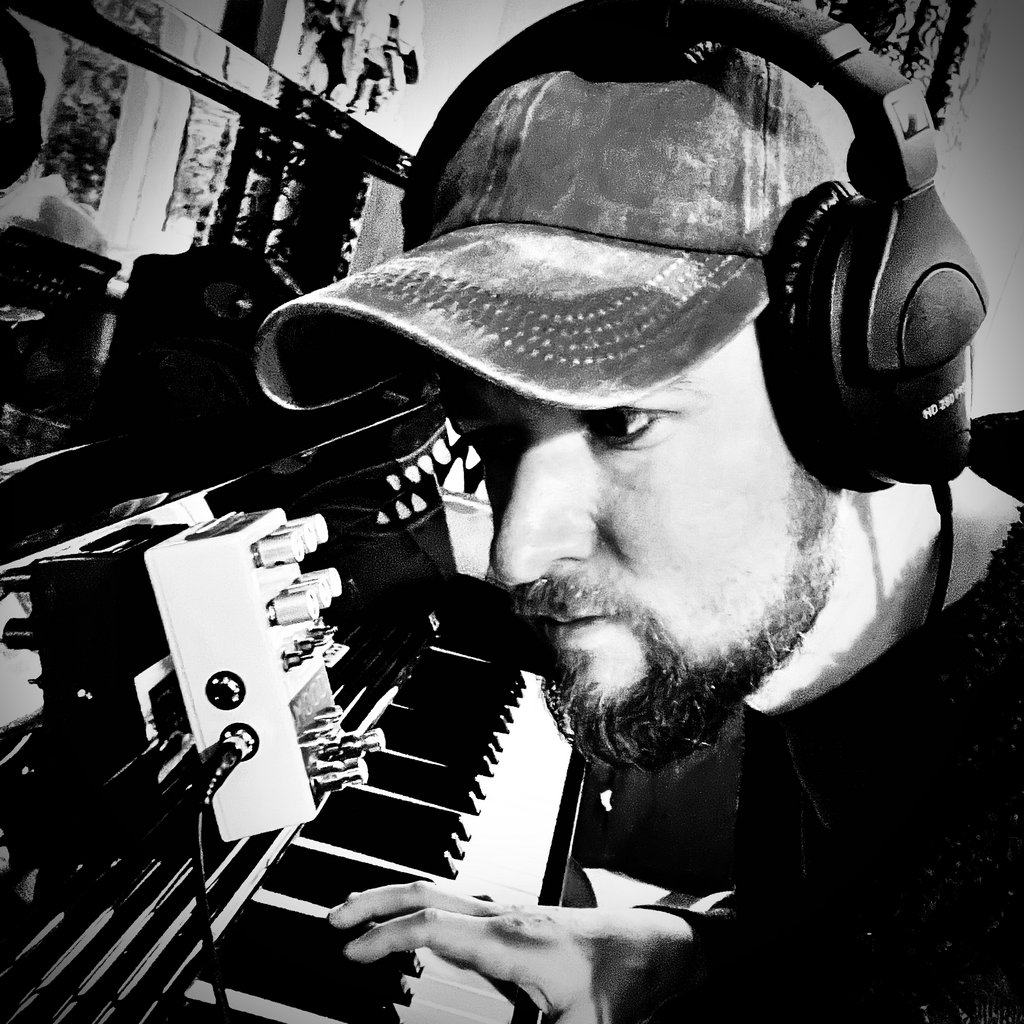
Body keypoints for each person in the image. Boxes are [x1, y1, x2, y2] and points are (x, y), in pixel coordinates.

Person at [253, 1, 1024, 1020]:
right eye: (492, 438)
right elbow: (835, 929)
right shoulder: (835, 639)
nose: (515, 553)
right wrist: (685, 954)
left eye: (622, 422)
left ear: (851, 382)